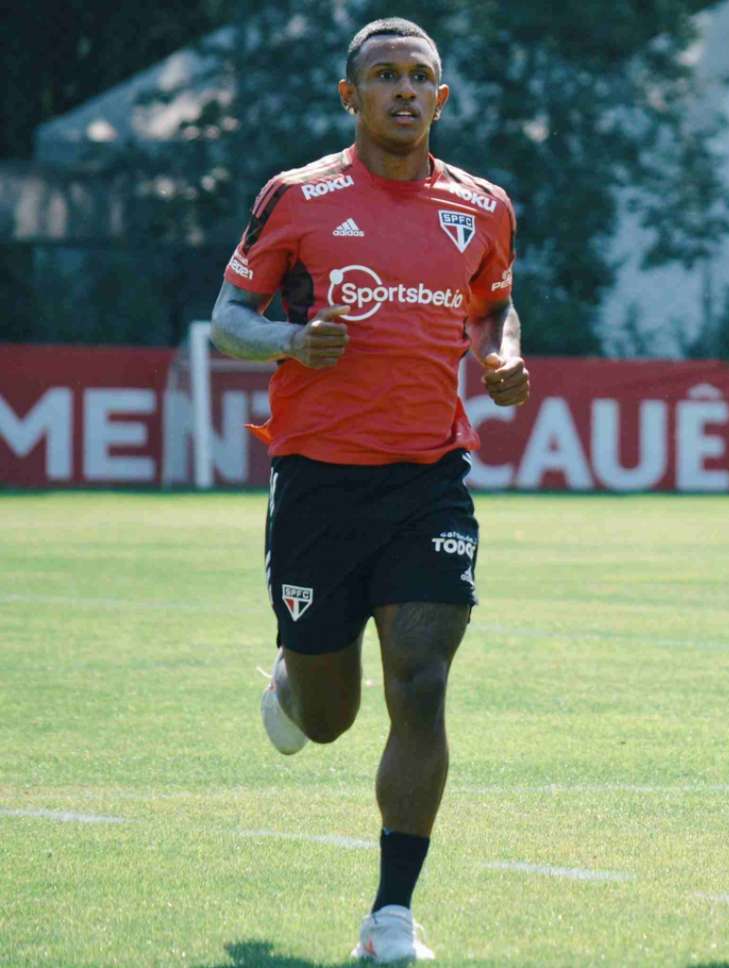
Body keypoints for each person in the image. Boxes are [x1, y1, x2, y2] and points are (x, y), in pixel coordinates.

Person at [211, 17, 530, 963]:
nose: (403, 90)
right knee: (330, 716)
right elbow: (230, 315)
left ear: (442, 97)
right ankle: (293, 681)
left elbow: (494, 305)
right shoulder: (297, 197)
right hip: (316, 479)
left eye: (420, 76)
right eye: (384, 76)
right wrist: (287, 342)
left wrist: (504, 358)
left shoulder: (482, 206)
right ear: (350, 97)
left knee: (423, 685)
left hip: (431, 478)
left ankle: (391, 915)